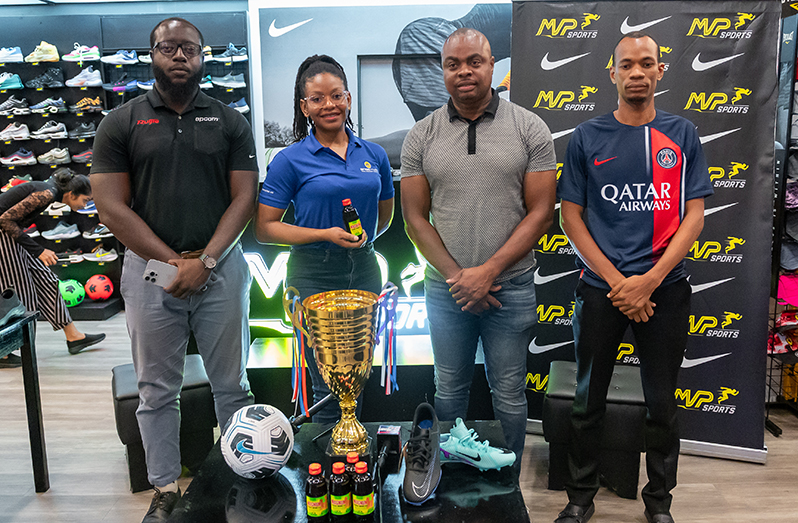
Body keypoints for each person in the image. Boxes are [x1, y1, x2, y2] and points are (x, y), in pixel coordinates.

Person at [90, 18, 257, 523]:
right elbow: (110, 206)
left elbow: (245, 196)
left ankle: (238, 474)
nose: (179, 56)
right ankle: (164, 489)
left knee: (232, 385)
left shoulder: (230, 121)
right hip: (149, 274)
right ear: (152, 55)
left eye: (189, 48)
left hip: (220, 270)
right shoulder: (121, 123)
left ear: (204, 57)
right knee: (156, 390)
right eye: (169, 47)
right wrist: (172, 263)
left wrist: (205, 261)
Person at [554, 32, 713, 523]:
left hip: (664, 289)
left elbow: (694, 217)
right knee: (587, 401)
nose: (637, 73)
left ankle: (659, 505)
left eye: (647, 64)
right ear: (613, 74)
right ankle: (579, 500)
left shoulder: (683, 134)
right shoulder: (587, 136)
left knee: (662, 405)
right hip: (601, 290)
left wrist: (648, 281)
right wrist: (621, 284)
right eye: (628, 65)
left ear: (660, 71)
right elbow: (571, 218)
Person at [400, 28, 557, 472]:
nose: (464, 71)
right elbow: (414, 218)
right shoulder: (421, 134)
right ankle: (451, 475)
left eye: (475, 61)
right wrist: (461, 279)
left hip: (511, 287)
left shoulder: (529, 128)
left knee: (508, 389)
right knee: (448, 388)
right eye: (453, 64)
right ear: (443, 71)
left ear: (492, 65)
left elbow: (542, 212)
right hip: (446, 292)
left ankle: (504, 481)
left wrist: (487, 272)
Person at [255, 54, 394, 425]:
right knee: (327, 386)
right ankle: (331, 474)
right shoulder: (290, 160)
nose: (328, 104)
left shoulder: (374, 155)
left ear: (348, 98)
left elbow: (386, 214)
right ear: (304, 106)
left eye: (336, 95)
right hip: (313, 275)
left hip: (364, 271)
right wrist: (325, 235)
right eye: (317, 98)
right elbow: (265, 228)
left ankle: (354, 466)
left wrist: (365, 240)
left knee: (356, 379)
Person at [0, 167, 105, 368]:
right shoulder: (46, 193)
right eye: (85, 200)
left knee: (47, 280)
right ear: (72, 194)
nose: (86, 205)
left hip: (10, 235)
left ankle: (74, 337)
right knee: (22, 292)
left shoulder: (50, 194)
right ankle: (6, 351)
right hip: (2, 235)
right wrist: (39, 251)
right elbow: (4, 220)